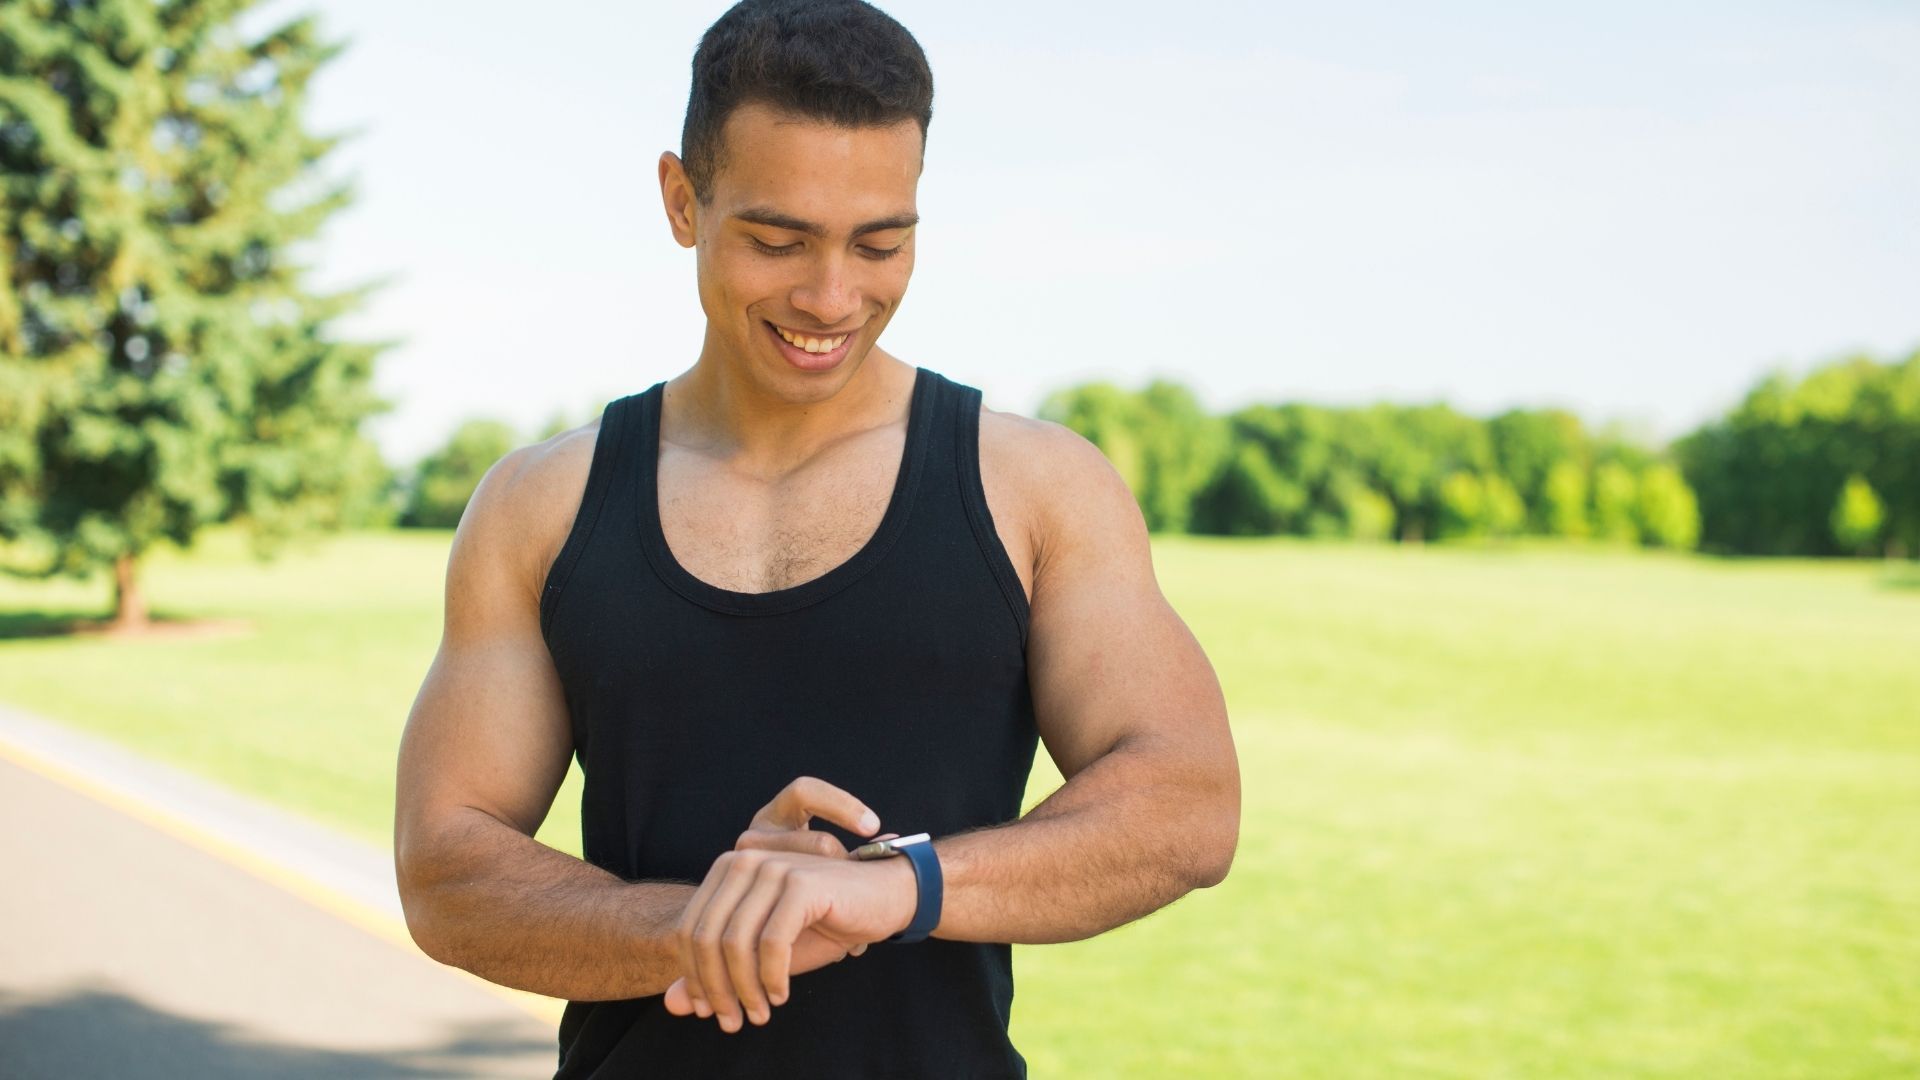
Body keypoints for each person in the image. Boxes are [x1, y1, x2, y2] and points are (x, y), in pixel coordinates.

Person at [392, 0, 1240, 1075]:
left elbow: (1189, 803)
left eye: (880, 243)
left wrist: (896, 886)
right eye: (778, 240)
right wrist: (715, 924)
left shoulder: (1037, 487)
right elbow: (446, 873)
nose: (833, 296)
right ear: (680, 200)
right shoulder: (539, 505)